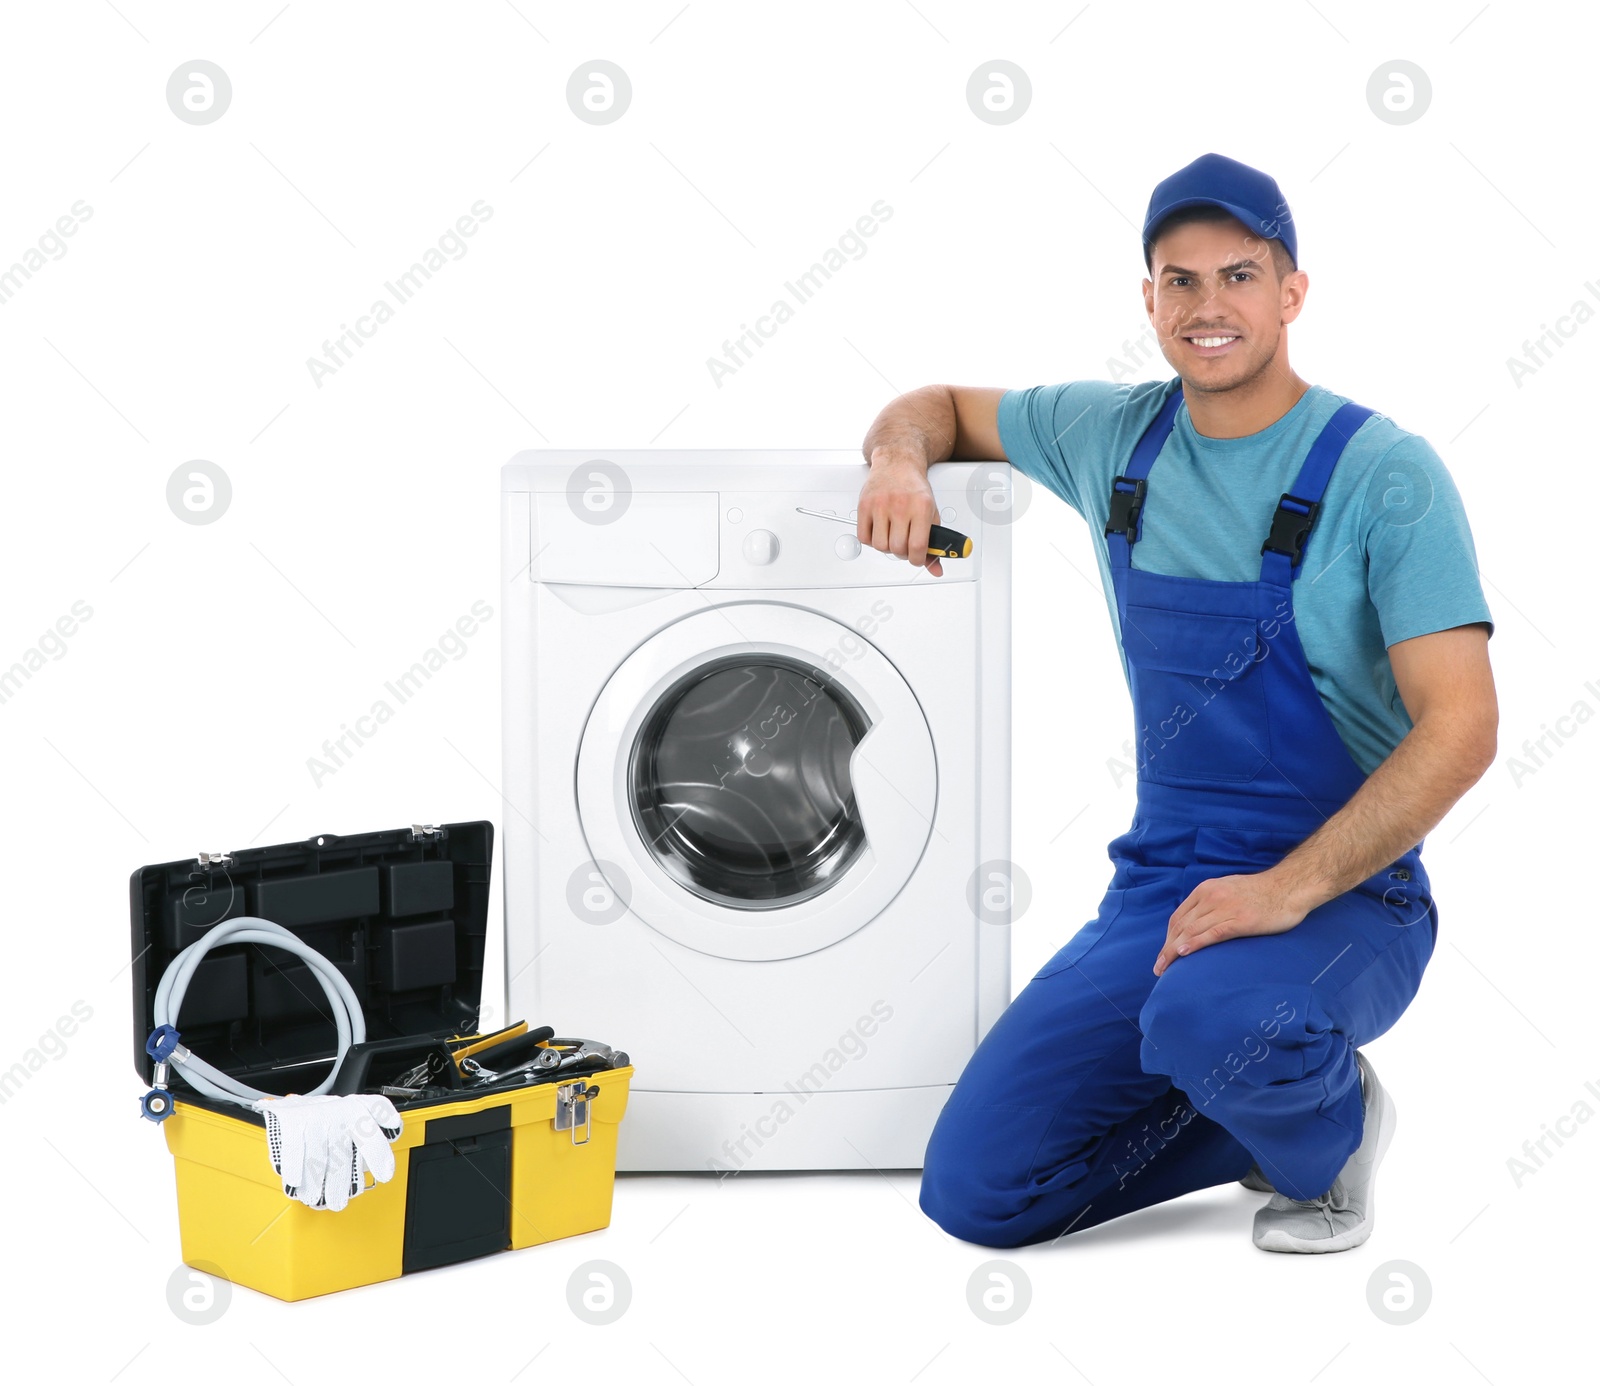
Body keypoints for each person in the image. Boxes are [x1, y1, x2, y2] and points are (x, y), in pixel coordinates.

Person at [855, 152, 1497, 1253]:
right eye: (1180, 281)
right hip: (1164, 888)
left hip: (1347, 896)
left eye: (1238, 276)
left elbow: (1464, 727)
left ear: (1292, 294)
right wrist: (895, 463)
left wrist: (1289, 891)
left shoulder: (1384, 473)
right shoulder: (1111, 436)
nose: (1208, 307)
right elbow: (938, 406)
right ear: (1147, 300)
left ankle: (1321, 1131)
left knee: (1215, 1016)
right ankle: (1260, 1103)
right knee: (976, 1192)